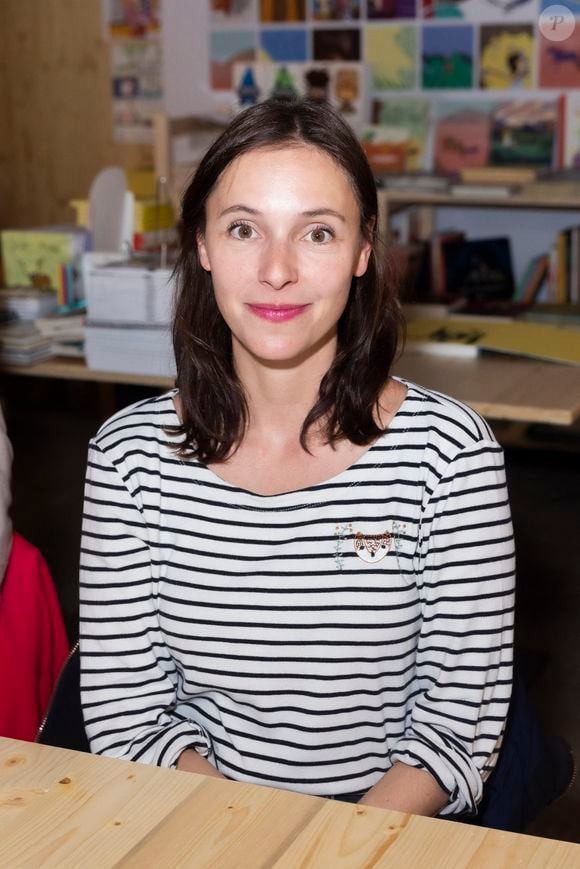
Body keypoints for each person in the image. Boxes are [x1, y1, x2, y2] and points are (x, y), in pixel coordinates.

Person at [79, 98, 515, 818]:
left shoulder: (450, 456)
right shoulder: (128, 457)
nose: (276, 270)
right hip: (201, 821)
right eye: (245, 228)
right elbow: (130, 714)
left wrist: (323, 852)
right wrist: (251, 839)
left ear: (362, 252)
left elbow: (455, 727)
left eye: (317, 232)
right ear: (203, 245)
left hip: (383, 831)